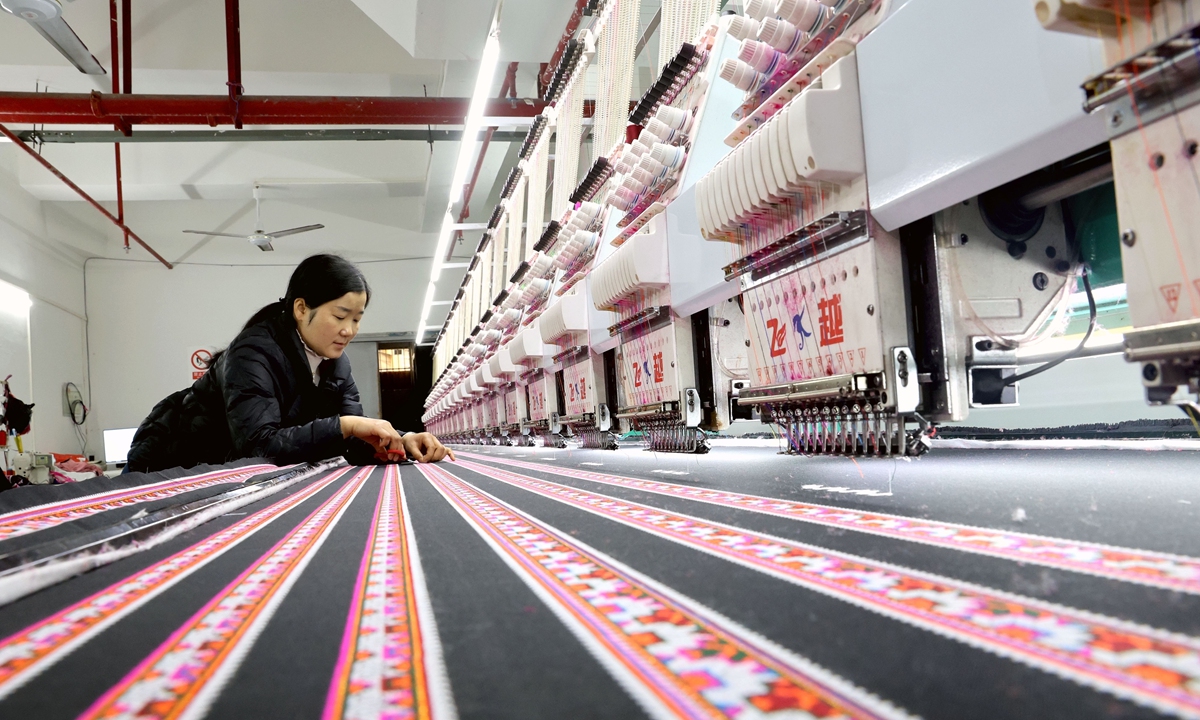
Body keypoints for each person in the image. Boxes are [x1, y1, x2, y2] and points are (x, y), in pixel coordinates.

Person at [126, 254, 453, 473]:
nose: (349, 331)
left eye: (357, 319)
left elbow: (351, 438)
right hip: (168, 465)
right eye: (340, 316)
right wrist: (347, 425)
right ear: (301, 309)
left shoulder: (335, 364)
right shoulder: (252, 353)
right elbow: (258, 446)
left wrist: (400, 440)